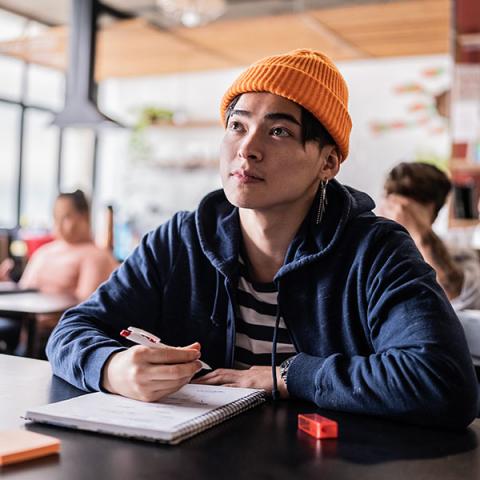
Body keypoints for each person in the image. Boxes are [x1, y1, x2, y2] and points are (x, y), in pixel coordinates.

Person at [47, 49, 478, 428]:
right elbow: (72, 331)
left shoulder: (376, 251)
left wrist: (287, 376)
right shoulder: (179, 240)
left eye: (278, 131)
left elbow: (444, 383)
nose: (246, 148)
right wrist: (111, 367)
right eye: (237, 125)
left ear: (328, 162)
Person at [0, 190, 118, 354]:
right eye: (56, 218)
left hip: (59, 338)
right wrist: (7, 284)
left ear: (84, 217)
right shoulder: (45, 252)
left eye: (66, 217)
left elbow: (85, 307)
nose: (59, 224)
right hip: (25, 326)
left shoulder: (96, 256)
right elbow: (25, 289)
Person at [378, 162, 480, 311]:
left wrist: (420, 233)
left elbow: (458, 294)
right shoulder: (368, 253)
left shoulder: (457, 252)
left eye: (403, 206)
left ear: (431, 208)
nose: (393, 211)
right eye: (388, 200)